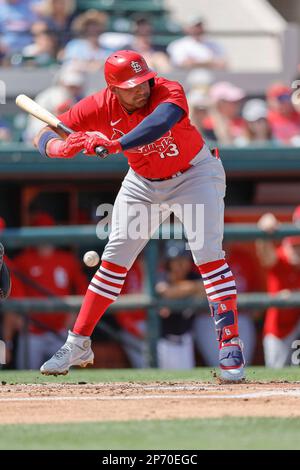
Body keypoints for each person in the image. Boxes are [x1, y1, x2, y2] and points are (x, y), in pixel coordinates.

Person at [34, 49, 245, 380]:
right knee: (114, 258)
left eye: (143, 81)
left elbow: (160, 123)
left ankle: (230, 346)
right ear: (113, 88)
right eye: (131, 85)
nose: (141, 89)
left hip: (195, 174)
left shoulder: (167, 89)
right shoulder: (98, 104)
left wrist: (114, 144)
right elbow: (43, 135)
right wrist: (64, 147)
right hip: (144, 182)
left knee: (207, 255)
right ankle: (78, 342)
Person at [12, 211, 88, 369]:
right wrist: (18, 318)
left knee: (67, 377)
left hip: (60, 331)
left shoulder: (67, 260)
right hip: (31, 332)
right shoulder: (22, 260)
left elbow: (84, 290)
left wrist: (73, 316)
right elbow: (13, 291)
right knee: (24, 378)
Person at [256, 212, 300, 368]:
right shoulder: (280, 257)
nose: (296, 251)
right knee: (276, 372)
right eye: (293, 245)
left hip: (297, 324)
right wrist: (264, 223)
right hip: (278, 328)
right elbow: (265, 254)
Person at [156, 241, 203, 369]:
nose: (180, 265)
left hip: (186, 341)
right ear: (169, 263)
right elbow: (164, 291)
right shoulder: (162, 277)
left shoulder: (193, 276)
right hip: (163, 342)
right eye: (176, 261)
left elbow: (205, 287)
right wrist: (191, 289)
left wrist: (180, 290)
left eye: (184, 260)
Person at [24, 65, 86, 142]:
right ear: (62, 82)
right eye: (71, 86)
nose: (74, 89)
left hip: (59, 138)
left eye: (76, 86)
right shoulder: (51, 96)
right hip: (38, 137)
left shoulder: (78, 98)